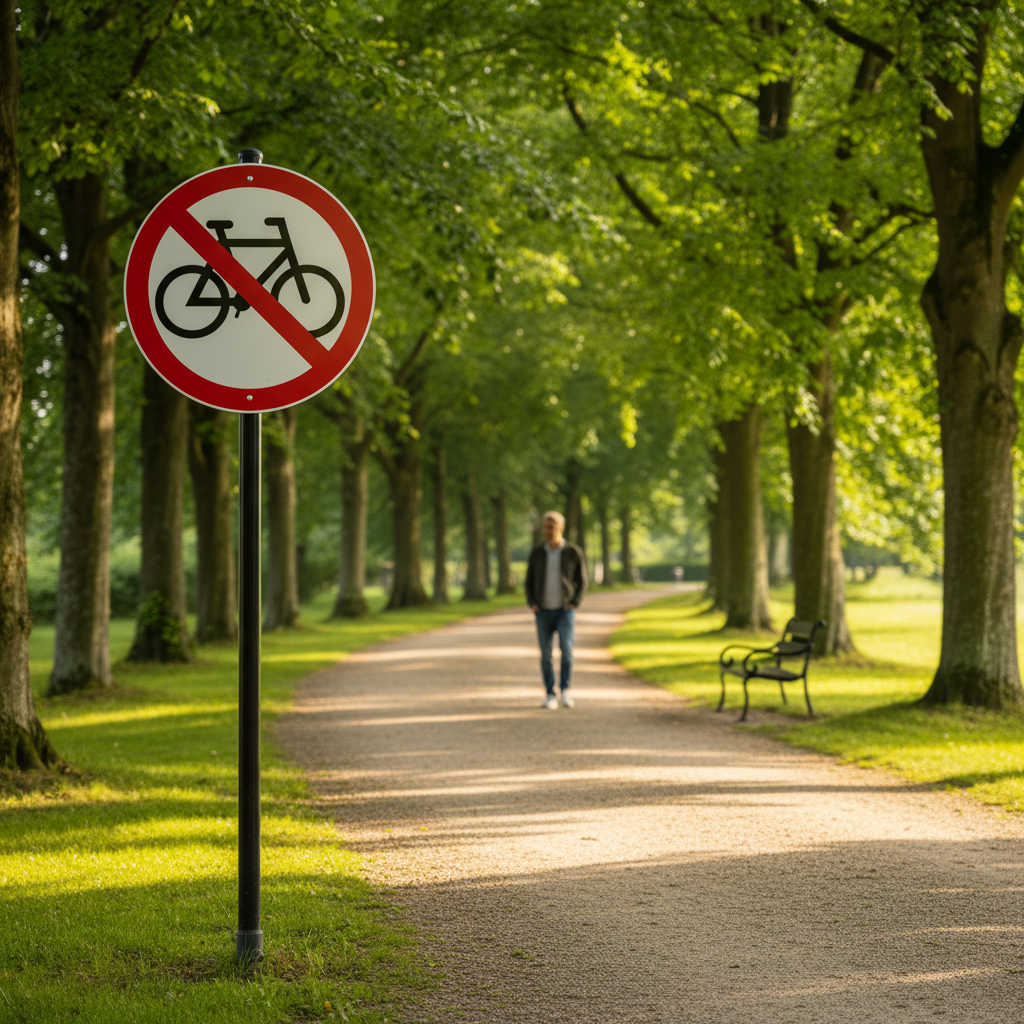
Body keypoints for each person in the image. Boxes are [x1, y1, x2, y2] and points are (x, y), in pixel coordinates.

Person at [524, 511, 587, 709]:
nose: (548, 531)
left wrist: (574, 602)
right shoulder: (537, 552)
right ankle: (550, 694)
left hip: (564, 611)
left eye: (551, 527)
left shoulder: (573, 552)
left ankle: (565, 690)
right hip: (542, 611)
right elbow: (528, 581)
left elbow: (582, 581)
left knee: (566, 651)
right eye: (545, 527)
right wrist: (532, 602)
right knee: (545, 654)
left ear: (561, 528)